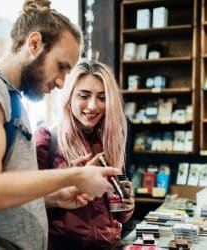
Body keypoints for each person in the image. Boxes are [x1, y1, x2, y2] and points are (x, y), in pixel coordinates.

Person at [0, 1, 118, 249]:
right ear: (34, 44)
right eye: (61, 66)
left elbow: (7, 195)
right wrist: (72, 175)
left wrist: (54, 196)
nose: (63, 83)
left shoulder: (11, 96)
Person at [34, 59, 135, 250]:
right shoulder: (47, 139)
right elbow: (24, 202)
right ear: (69, 96)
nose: (92, 106)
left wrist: (127, 204)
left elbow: (119, 215)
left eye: (102, 98)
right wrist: (63, 188)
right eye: (84, 95)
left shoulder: (110, 142)